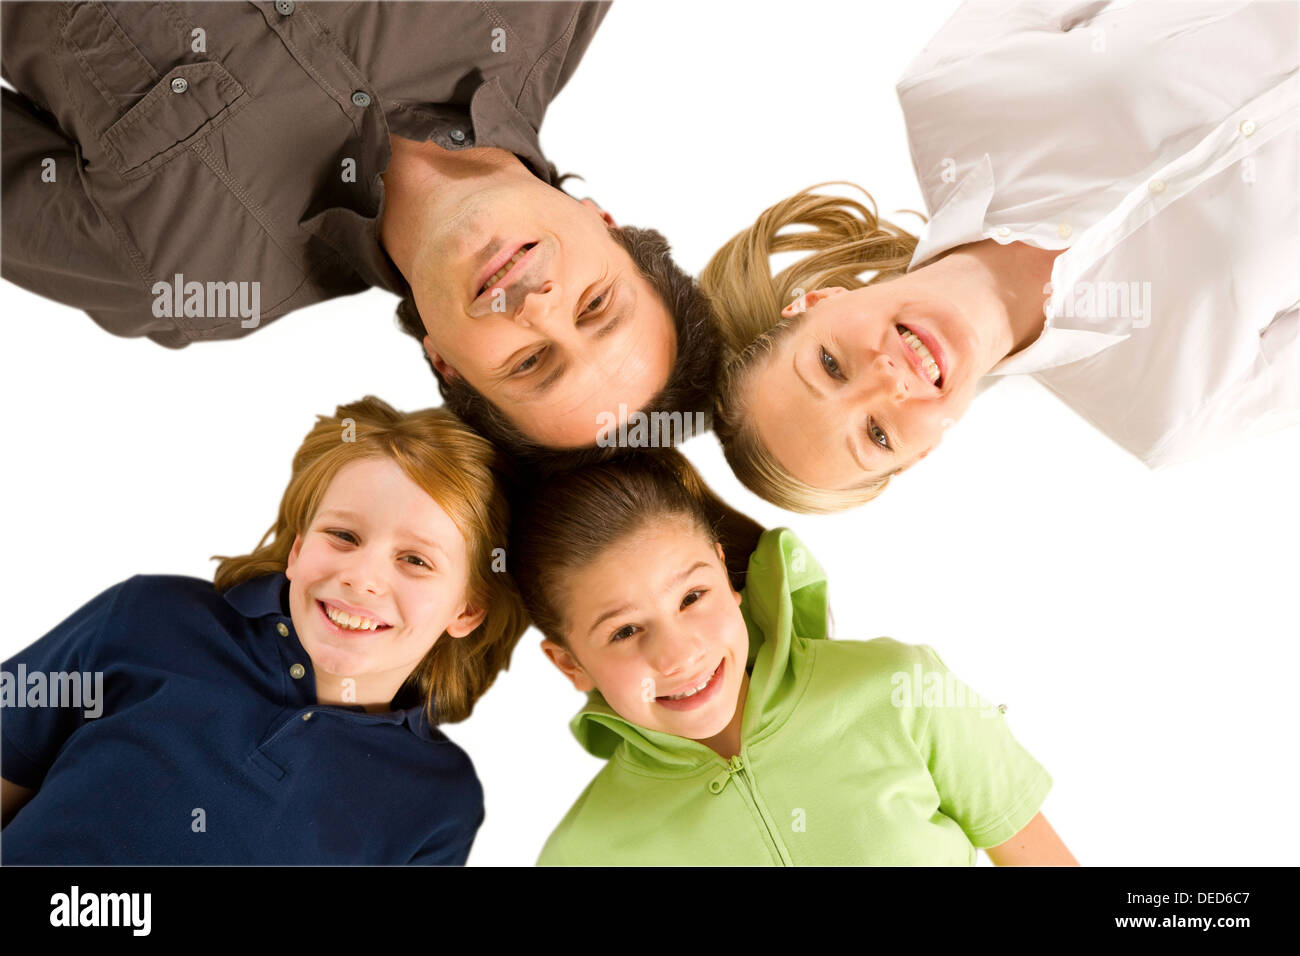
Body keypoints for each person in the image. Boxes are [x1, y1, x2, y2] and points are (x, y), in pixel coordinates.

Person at [0, 1, 719, 455]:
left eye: (529, 363)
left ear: (445, 364)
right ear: (609, 225)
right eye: (596, 307)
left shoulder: (185, 275)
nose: (537, 307)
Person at [701, 0, 1299, 513]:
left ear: (818, 303)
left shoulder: (950, 88)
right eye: (877, 434)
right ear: (921, 455)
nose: (887, 380)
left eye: (830, 366)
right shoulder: (1173, 408)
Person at [0, 396, 527, 864]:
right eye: (343, 535)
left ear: (468, 610)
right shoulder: (149, 616)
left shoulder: (440, 800)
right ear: (297, 550)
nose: (361, 578)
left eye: (415, 560)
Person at [508, 450, 1075, 865]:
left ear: (727, 577)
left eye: (692, 597)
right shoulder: (582, 856)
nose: (678, 654)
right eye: (626, 630)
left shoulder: (902, 691)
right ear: (570, 664)